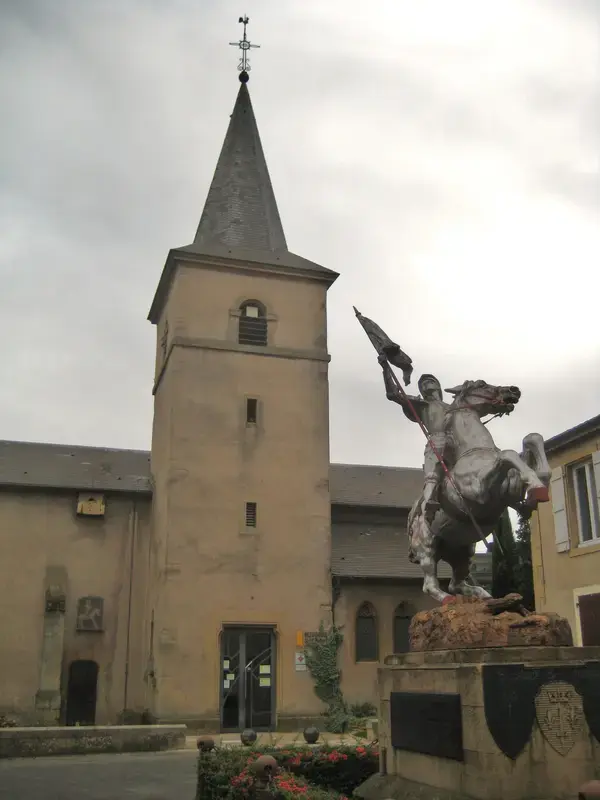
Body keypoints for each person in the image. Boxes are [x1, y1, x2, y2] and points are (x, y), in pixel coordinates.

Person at [379, 355, 451, 523]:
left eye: (430, 381)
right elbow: (393, 394)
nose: (426, 384)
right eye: (422, 384)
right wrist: (385, 369)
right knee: (432, 475)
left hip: (456, 442)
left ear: (438, 386)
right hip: (437, 440)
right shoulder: (422, 405)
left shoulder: (453, 407)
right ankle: (429, 501)